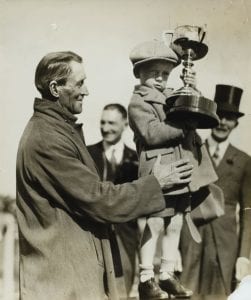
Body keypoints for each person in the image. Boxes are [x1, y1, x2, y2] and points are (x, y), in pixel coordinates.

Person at [16, 51, 194, 300]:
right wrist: (157, 183)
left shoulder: (57, 130)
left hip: (71, 279)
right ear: (55, 88)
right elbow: (99, 199)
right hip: (62, 285)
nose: (86, 91)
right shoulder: (47, 139)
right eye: (79, 83)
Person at [128, 40, 218, 300]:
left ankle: (166, 273)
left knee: (177, 221)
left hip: (180, 169)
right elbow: (152, 133)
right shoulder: (138, 102)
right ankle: (146, 277)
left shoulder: (170, 96)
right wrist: (184, 126)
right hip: (160, 171)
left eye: (165, 74)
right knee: (155, 222)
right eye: (154, 73)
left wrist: (191, 85)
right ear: (139, 74)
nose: (160, 79)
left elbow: (190, 104)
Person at [180, 84, 251, 299]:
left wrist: (244, 256)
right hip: (192, 235)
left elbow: (248, 211)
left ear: (236, 123)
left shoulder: (244, 160)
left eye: (229, 117)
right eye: (220, 115)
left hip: (225, 245)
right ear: (211, 117)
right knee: (186, 290)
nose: (223, 122)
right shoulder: (192, 149)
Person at [87, 103, 139, 297]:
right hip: (94, 239)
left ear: (125, 124)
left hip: (125, 240)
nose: (106, 128)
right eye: (102, 122)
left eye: (112, 123)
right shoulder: (87, 154)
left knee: (121, 291)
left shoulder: (136, 159)